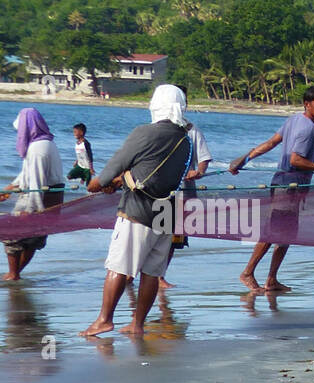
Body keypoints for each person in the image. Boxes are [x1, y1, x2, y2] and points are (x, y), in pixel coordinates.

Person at [78, 85, 192, 337]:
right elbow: (163, 173)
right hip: (167, 214)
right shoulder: (186, 141)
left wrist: (99, 184)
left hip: (138, 210)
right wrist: (123, 180)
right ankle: (138, 324)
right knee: (151, 272)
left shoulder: (144, 133)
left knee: (118, 267)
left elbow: (104, 176)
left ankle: (104, 320)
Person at [228, 85, 314, 293]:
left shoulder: (294, 120)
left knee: (286, 234)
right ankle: (248, 272)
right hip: (288, 185)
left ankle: (271, 279)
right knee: (273, 232)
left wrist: (245, 158)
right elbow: (295, 159)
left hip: (285, 182)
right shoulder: (308, 128)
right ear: (307, 104)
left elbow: (271, 143)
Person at [2, 108, 64, 281]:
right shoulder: (48, 143)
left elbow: (36, 182)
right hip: (53, 198)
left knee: (11, 234)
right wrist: (11, 187)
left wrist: (30, 210)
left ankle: (13, 274)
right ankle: (15, 273)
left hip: (38, 198)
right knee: (33, 239)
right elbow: (30, 174)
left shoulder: (37, 148)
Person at [159, 113, 214, 290]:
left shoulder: (191, 130)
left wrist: (198, 172)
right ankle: (132, 274)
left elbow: (204, 158)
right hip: (159, 191)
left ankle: (159, 276)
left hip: (183, 192)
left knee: (173, 238)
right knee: (152, 233)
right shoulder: (157, 129)